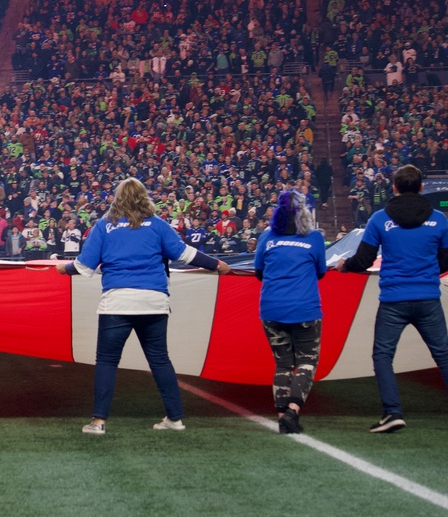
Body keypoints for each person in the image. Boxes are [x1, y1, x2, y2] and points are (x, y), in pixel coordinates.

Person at [58, 178, 230, 435]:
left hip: (116, 302)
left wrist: (64, 268)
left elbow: (83, 267)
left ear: (117, 198)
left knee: (106, 361)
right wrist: (217, 264)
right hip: (154, 301)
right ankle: (175, 419)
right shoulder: (159, 225)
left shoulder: (104, 226)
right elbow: (185, 255)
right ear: (144, 197)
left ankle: (98, 422)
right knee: (160, 361)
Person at [337, 164, 448, 433]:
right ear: (421, 187)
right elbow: (445, 260)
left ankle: (392, 412)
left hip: (394, 300)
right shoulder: (440, 219)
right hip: (428, 298)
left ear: (394, 188)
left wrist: (344, 265)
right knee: (444, 355)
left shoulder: (379, 219)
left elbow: (363, 260)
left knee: (383, 355)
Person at [253, 191, 327, 434]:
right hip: (305, 309)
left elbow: (258, 270)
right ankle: (293, 411)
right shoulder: (314, 238)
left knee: (283, 363)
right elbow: (321, 271)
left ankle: (282, 417)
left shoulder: (267, 237)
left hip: (271, 309)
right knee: (306, 361)